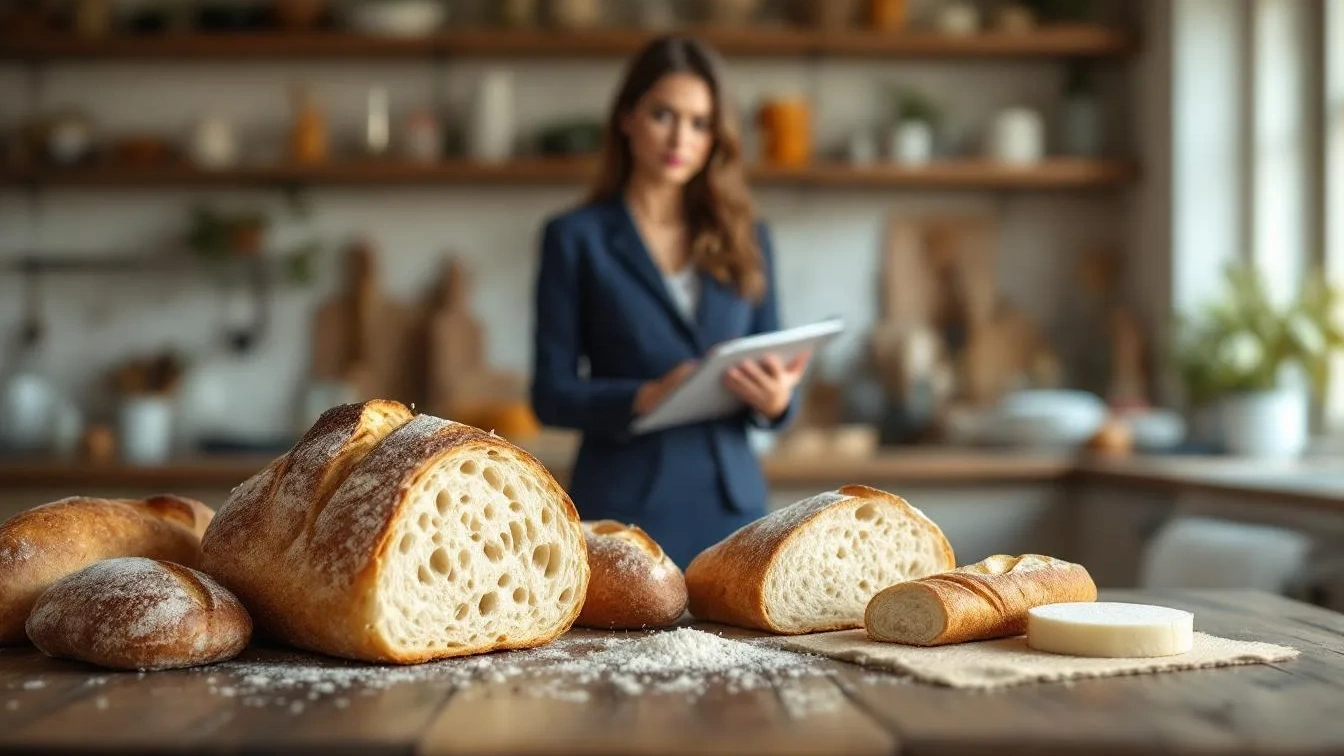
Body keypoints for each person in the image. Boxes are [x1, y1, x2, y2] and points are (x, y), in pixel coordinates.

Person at [530, 36, 809, 569]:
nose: (681, 137)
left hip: (736, 511)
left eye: (700, 123)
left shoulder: (748, 236)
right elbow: (551, 394)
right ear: (627, 117)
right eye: (664, 114)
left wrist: (778, 403)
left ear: (715, 136)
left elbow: (776, 364)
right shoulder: (574, 237)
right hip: (624, 513)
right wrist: (647, 395)